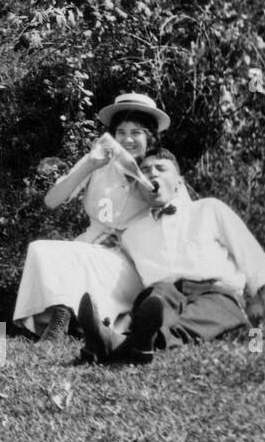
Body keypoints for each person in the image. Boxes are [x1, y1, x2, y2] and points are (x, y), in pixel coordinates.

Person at [79, 148, 265, 365]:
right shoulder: (131, 234)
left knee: (211, 311)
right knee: (157, 297)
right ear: (139, 187)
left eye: (161, 169)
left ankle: (118, 343)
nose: (152, 174)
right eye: (145, 171)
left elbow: (256, 261)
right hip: (164, 294)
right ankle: (136, 341)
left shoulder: (210, 209)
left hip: (216, 293)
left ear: (179, 182)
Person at [12, 93, 168, 341]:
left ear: (150, 138)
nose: (127, 139)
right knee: (42, 249)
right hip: (89, 244)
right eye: (121, 132)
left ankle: (63, 322)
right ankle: (66, 319)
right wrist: (89, 165)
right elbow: (52, 200)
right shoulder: (99, 162)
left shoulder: (160, 170)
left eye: (136, 132)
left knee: (80, 257)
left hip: (128, 260)